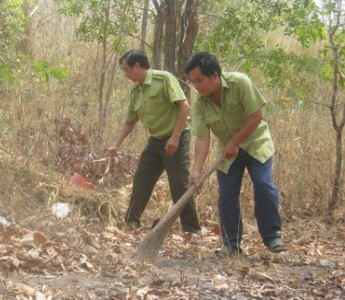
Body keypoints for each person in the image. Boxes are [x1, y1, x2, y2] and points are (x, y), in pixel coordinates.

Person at [185, 51, 286, 254]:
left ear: (214, 75)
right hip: (227, 152)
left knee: (263, 185)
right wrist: (196, 170)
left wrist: (236, 141)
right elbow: (203, 138)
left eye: (200, 80)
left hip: (257, 144)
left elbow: (257, 114)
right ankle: (231, 244)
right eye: (193, 82)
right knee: (227, 195)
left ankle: (272, 236)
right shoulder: (200, 104)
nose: (196, 86)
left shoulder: (240, 83)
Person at [108, 49, 201, 234]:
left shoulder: (164, 79)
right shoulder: (136, 91)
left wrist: (175, 138)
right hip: (155, 141)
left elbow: (184, 106)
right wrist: (116, 144)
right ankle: (131, 222)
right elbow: (130, 121)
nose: (125, 74)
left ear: (137, 66)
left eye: (126, 69)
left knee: (178, 183)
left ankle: (192, 229)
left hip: (176, 137)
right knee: (142, 178)